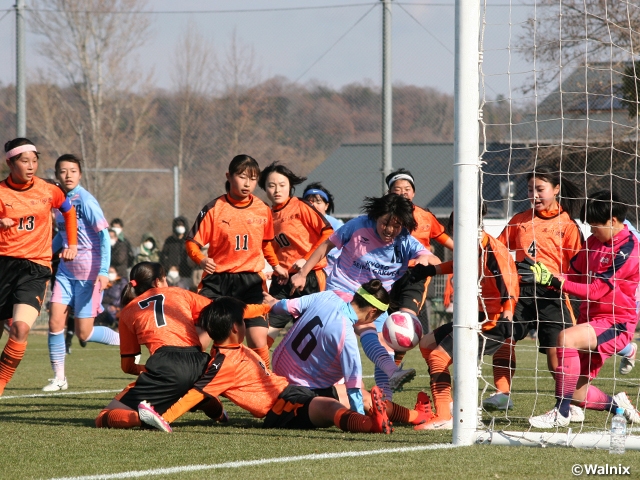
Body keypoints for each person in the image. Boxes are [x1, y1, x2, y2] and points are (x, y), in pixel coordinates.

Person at [137, 297, 392, 435]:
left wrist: (268, 307)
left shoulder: (234, 347)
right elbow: (198, 394)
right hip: (280, 408)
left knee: (357, 394)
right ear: (237, 328)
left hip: (291, 391)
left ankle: (416, 415)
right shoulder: (224, 363)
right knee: (330, 407)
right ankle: (369, 425)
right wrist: (165, 417)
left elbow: (246, 312)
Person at [290, 194, 440, 399]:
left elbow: (433, 258)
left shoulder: (404, 239)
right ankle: (310, 383)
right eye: (385, 223)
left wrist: (425, 258)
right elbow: (327, 246)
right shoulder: (359, 225)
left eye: (396, 226)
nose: (389, 230)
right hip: (342, 289)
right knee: (359, 333)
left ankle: (386, 400)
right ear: (376, 216)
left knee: (383, 343)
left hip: (375, 298)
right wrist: (302, 273)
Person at [527, 191, 640, 428]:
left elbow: (598, 291)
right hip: (589, 319)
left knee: (565, 339)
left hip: (615, 323)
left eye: (595, 225)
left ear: (613, 221)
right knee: (577, 392)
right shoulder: (593, 242)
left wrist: (558, 282)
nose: (591, 231)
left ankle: (561, 412)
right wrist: (550, 277)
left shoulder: (629, 250)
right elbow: (575, 274)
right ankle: (617, 405)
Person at [269, 280, 433, 426]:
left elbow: (284, 306)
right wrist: (361, 418)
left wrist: (269, 304)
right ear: (372, 313)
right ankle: (416, 416)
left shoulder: (329, 295)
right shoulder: (346, 336)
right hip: (299, 391)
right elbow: (353, 388)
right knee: (363, 395)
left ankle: (413, 411)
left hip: (276, 376)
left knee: (361, 389)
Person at [486, 165, 583, 412]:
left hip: (553, 295)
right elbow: (496, 250)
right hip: (521, 293)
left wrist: (556, 278)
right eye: (530, 190)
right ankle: (502, 393)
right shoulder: (519, 220)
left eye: (540, 189)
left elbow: (580, 267)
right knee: (505, 335)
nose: (534, 195)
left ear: (556, 189)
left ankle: (570, 403)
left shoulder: (569, 225)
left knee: (557, 354)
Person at [413, 208, 519, 430]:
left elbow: (509, 286)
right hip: (473, 315)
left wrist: (508, 315)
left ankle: (443, 417)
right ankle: (450, 406)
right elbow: (458, 265)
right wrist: (431, 270)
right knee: (426, 344)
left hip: (492, 321)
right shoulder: (468, 245)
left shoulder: (493, 251)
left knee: (438, 357)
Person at [95, 262, 231, 429]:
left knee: (103, 417)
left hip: (166, 366)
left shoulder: (128, 311)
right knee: (193, 392)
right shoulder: (179, 293)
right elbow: (220, 312)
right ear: (158, 282)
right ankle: (220, 414)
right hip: (201, 364)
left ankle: (143, 418)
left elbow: (127, 366)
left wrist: (149, 371)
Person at [185, 154, 287, 369]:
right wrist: (202, 260)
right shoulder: (213, 208)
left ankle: (266, 386)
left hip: (250, 282)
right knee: (200, 338)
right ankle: (191, 380)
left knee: (258, 340)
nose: (248, 183)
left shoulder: (263, 210)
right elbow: (191, 243)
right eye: (242, 177)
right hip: (217, 280)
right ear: (229, 176)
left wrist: (276, 265)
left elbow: (266, 243)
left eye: (253, 178)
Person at [0, 138, 78, 396]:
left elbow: (68, 211)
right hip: (3, 266)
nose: (31, 166)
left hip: (35, 268)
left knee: (20, 328)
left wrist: (72, 243)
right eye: (25, 161)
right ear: (10, 163)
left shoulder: (49, 190)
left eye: (35, 161)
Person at [44, 154, 118, 391]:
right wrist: (45, 255)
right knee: (55, 321)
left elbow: (104, 236)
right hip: (66, 272)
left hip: (89, 274)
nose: (68, 175)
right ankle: (59, 378)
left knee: (83, 334)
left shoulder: (85, 200)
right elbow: (62, 235)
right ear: (57, 175)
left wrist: (104, 271)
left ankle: (126, 340)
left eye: (73, 171)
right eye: (63, 171)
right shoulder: (59, 201)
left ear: (80, 174)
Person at [258, 162, 333, 345]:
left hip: (309, 277)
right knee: (263, 332)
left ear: (290, 186)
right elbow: (268, 247)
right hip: (282, 280)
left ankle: (317, 372)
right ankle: (259, 371)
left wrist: (305, 261)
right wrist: (277, 268)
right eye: (271, 185)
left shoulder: (300, 206)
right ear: (264, 188)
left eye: (282, 185)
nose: (277, 190)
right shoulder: (266, 214)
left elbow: (328, 233)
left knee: (309, 335)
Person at [386, 168, 454, 362]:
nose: (403, 192)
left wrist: (470, 256)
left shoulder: (425, 216)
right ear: (389, 193)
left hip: (415, 274)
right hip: (385, 274)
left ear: (414, 192)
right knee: (380, 324)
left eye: (407, 188)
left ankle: (393, 372)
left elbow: (447, 242)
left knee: (404, 321)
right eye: (397, 189)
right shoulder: (380, 217)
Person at [161, 216, 193, 280]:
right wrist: (169, 267)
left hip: (186, 275)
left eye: (182, 225)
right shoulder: (169, 241)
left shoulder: (189, 241)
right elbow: (163, 256)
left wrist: (181, 268)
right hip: (170, 274)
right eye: (178, 225)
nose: (180, 227)